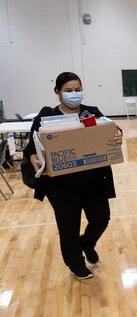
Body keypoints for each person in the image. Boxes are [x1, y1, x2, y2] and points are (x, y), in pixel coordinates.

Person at [24, 72, 123, 280]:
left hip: (93, 179)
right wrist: (33, 156)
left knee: (101, 218)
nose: (74, 94)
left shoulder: (91, 113)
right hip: (60, 183)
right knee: (68, 225)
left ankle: (86, 242)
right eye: (68, 91)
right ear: (57, 92)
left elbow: (110, 128)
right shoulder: (47, 115)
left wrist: (117, 133)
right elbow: (32, 144)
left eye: (77, 90)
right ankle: (75, 263)